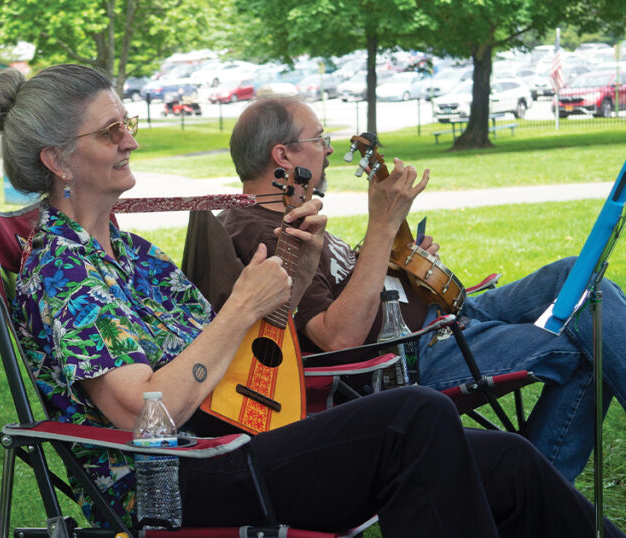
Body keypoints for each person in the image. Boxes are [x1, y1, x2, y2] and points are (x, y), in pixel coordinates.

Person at [0, 63, 623, 536]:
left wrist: (289, 281)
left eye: (127, 124)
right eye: (112, 131)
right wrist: (241, 306)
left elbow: (237, 362)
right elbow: (140, 418)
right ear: (59, 161)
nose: (132, 140)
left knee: (508, 461)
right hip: (176, 481)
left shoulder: (134, 255)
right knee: (413, 417)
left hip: (237, 437)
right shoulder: (63, 270)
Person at [218, 95, 626, 483]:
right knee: (591, 341)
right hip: (414, 355)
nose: (327, 151)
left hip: (440, 320)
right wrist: (381, 226)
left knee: (575, 275)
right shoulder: (267, 232)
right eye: (319, 139)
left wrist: (395, 259)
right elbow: (339, 337)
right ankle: (533, 498)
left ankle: (528, 496)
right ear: (283, 155)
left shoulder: (288, 210)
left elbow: (346, 283)